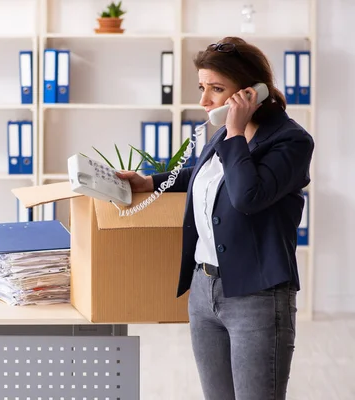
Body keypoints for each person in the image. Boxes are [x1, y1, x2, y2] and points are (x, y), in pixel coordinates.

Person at [117, 37, 314, 400]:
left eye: (217, 89)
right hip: (204, 290)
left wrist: (236, 132)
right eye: (202, 87)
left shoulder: (291, 142)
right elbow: (206, 176)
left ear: (251, 93)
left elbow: (247, 196)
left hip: (257, 295)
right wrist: (149, 181)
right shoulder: (225, 135)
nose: (204, 100)